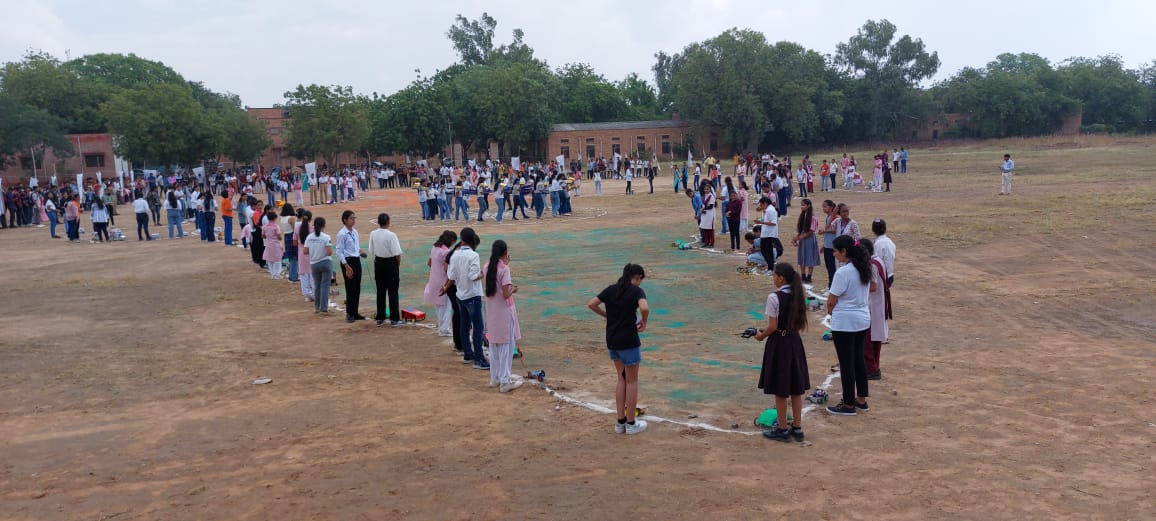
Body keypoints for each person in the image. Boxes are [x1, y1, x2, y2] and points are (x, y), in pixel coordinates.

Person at [587, 263, 650, 435]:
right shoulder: (636, 291)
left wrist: (606, 315)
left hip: (612, 340)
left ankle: (620, 422)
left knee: (621, 379)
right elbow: (644, 307)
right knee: (632, 381)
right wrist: (644, 321)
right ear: (636, 277)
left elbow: (592, 304)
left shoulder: (611, 289)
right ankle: (631, 423)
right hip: (628, 340)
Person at [754, 263, 810, 442]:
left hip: (779, 343)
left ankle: (783, 428)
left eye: (775, 276)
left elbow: (773, 326)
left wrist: (760, 335)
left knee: (780, 387)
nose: (773, 278)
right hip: (794, 341)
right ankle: (797, 427)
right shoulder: (798, 295)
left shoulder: (774, 297)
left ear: (781, 278)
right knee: (795, 388)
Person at [825, 235, 872, 416]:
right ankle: (861, 399)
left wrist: (831, 313)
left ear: (844, 251)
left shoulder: (843, 273)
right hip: (862, 319)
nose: (835, 254)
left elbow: (831, 301)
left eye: (836, 251)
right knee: (858, 359)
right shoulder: (864, 267)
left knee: (846, 364)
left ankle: (848, 404)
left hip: (845, 322)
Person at [443, 228, 488, 369]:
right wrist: (481, 275)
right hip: (472, 295)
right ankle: (479, 359)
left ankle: (468, 354)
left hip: (460, 294)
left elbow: (451, 276)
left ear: (462, 239)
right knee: (478, 327)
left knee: (464, 325)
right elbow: (473, 276)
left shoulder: (455, 255)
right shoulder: (473, 255)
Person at [483, 240, 524, 393]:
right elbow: (506, 294)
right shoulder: (504, 269)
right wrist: (514, 290)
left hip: (492, 310)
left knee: (494, 343)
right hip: (504, 310)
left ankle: (495, 378)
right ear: (505, 253)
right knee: (507, 344)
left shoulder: (487, 266)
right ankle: (505, 381)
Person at [858, 238, 889, 381]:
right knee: (876, 337)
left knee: (868, 340)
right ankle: (875, 366)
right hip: (878, 303)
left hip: (873, 305)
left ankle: (871, 368)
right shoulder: (878, 260)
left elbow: (873, 286)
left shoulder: (872, 265)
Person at [368, 213, 404, 327]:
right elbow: (397, 254)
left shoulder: (373, 233)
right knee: (393, 291)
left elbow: (371, 250)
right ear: (388, 222)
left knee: (380, 291)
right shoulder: (391, 235)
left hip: (379, 263)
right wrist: (396, 265)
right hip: (390, 263)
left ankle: (380, 318)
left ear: (378, 222)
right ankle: (394, 319)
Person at [424, 230, 457, 338]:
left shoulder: (435, 247)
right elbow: (447, 268)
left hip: (434, 279)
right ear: (451, 240)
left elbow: (429, 263)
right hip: (443, 280)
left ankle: (442, 327)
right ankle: (444, 329)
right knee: (446, 306)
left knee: (439, 305)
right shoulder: (446, 251)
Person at [336, 210, 367, 323]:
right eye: (351, 218)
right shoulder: (342, 234)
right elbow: (339, 252)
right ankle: (349, 313)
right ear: (345, 220)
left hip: (356, 260)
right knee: (350, 288)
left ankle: (355, 312)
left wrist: (360, 252)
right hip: (348, 261)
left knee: (357, 287)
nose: (353, 220)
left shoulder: (355, 232)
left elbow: (355, 247)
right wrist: (346, 266)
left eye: (354, 218)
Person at [303, 217, 333, 314]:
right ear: (324, 225)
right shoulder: (326, 237)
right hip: (325, 262)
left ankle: (317, 307)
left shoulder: (309, 237)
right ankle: (323, 308)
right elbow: (329, 252)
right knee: (325, 286)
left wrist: (314, 251)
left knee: (317, 285)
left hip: (314, 263)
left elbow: (305, 251)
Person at [791, 199, 820, 283]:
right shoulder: (803, 216)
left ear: (808, 206)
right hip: (803, 238)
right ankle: (803, 275)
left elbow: (811, 232)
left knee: (810, 257)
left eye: (803, 205)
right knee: (802, 256)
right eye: (801, 205)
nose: (802, 207)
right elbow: (801, 230)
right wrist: (796, 237)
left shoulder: (813, 217)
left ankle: (809, 276)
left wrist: (799, 238)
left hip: (809, 239)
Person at [753, 196, 780, 268]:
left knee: (765, 251)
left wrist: (760, 222)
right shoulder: (768, 209)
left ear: (765, 203)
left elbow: (773, 223)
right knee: (769, 250)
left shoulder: (770, 210)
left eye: (761, 205)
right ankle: (770, 267)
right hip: (768, 233)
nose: (761, 207)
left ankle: (770, 267)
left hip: (768, 234)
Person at [820, 200, 839, 286]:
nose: (823, 208)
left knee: (832, 268)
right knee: (828, 267)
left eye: (825, 206)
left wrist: (825, 231)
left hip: (833, 247)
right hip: (827, 246)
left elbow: (837, 230)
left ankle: (832, 287)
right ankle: (830, 285)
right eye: (823, 206)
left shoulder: (835, 218)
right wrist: (824, 245)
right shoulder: (828, 217)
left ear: (831, 207)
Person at [262, 207, 284, 279]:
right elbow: (279, 236)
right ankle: (276, 274)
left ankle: (273, 274)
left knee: (270, 260)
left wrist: (268, 237)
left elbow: (263, 236)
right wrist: (279, 239)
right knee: (277, 259)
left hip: (268, 244)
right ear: (274, 218)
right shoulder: (276, 226)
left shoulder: (265, 227)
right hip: (275, 244)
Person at [297, 211, 314, 302]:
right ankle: (314, 294)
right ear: (310, 219)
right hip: (311, 253)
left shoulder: (297, 228)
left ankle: (307, 295)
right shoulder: (313, 228)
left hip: (301, 252)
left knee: (303, 274)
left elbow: (295, 242)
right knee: (312, 274)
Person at [698, 182, 716, 248]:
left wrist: (704, 208)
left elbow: (711, 206)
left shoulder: (711, 197)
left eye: (707, 189)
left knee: (710, 230)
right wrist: (702, 209)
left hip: (710, 215)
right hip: (705, 214)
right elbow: (702, 205)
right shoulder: (704, 196)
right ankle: (706, 242)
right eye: (705, 189)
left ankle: (712, 243)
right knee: (705, 229)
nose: (706, 190)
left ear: (710, 189)